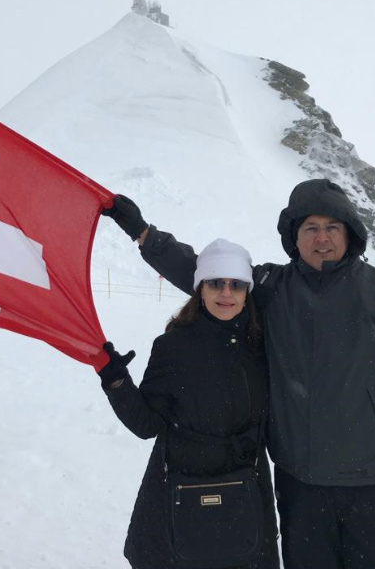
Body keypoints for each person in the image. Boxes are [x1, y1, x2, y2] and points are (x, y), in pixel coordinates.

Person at [102, 179, 375, 569]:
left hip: (372, 484)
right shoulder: (273, 288)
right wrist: (144, 234)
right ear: (294, 237)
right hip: (299, 484)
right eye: (310, 228)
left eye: (333, 227)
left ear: (351, 233)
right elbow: (211, 275)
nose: (322, 238)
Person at [98, 238, 280, 569]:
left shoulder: (264, 345)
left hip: (246, 488)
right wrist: (117, 381)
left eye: (236, 284)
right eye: (215, 283)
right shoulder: (174, 345)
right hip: (180, 486)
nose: (226, 293)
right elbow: (147, 424)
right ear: (200, 288)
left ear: (246, 292)